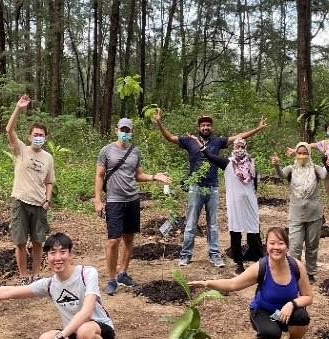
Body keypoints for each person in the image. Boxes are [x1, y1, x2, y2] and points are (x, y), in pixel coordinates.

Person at [152, 110, 266, 268]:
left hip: (212, 188)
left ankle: (214, 255)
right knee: (191, 223)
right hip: (195, 188)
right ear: (198, 127)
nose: (206, 127)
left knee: (213, 224)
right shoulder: (189, 141)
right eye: (203, 125)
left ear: (211, 127)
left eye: (208, 125)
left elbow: (239, 137)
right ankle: (185, 255)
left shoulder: (218, 142)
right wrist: (159, 123)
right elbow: (170, 137)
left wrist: (258, 128)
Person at [189, 227, 313, 339]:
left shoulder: (296, 266)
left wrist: (291, 304)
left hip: (287, 313)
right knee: (270, 334)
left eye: (281, 243)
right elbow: (232, 284)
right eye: (272, 243)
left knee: (302, 316)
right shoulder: (261, 267)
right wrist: (207, 283)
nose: (276, 247)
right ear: (266, 246)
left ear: (287, 246)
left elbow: (308, 296)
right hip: (263, 311)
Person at [94, 117, 170, 296]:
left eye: (128, 130)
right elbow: (99, 176)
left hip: (133, 199)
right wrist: (98, 200)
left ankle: (123, 274)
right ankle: (111, 279)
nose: (125, 133)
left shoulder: (135, 151)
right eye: (122, 130)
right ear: (116, 130)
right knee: (113, 241)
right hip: (114, 201)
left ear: (132, 132)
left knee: (129, 238)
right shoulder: (106, 151)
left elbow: (138, 175)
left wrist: (154, 177)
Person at [191, 135, 264, 276]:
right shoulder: (227, 163)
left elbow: (255, 185)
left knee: (254, 231)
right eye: (237, 146)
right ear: (233, 148)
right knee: (236, 233)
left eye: (242, 146)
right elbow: (209, 156)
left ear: (245, 148)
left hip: (249, 203)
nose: (240, 149)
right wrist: (198, 143)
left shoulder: (252, 164)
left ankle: (259, 260)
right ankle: (239, 263)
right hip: (235, 204)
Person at [6, 95, 55, 285]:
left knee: (37, 242)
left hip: (39, 204)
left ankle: (36, 274)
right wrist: (18, 108)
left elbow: (50, 181)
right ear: (29, 137)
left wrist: (47, 200)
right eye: (35, 134)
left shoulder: (48, 158)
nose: (38, 137)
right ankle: (23, 276)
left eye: (41, 135)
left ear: (46, 137)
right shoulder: (21, 150)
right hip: (20, 200)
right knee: (19, 241)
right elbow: (9, 130)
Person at [271, 143, 327, 284]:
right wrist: (277, 165)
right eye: (299, 153)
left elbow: (325, 176)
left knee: (312, 245)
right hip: (296, 213)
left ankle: (310, 272)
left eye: (305, 153)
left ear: (309, 154)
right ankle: (294, 272)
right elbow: (282, 175)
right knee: (295, 245)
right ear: (296, 154)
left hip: (314, 213)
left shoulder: (315, 169)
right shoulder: (292, 169)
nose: (302, 156)